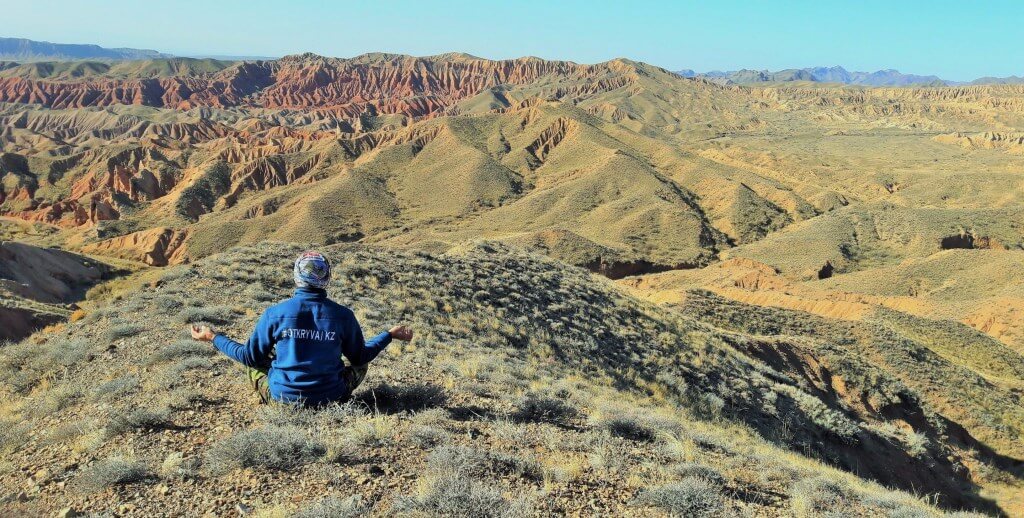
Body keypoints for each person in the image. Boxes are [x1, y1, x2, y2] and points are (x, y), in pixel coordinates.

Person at [189, 251, 412, 406]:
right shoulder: (343, 315)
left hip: (283, 400)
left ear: (296, 276)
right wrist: (388, 335)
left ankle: (274, 394)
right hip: (331, 398)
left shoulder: (274, 313)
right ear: (327, 278)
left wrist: (213, 336)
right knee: (359, 363)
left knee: (254, 362)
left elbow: (248, 356)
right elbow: (360, 357)